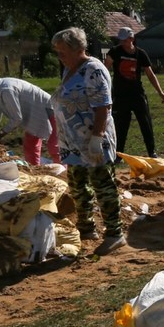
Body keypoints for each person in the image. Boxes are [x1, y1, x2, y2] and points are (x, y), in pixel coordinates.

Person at [51, 27, 125, 255]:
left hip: (93, 139)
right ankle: (86, 227)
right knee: (77, 184)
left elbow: (103, 106)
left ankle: (115, 233)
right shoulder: (69, 69)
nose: (59, 56)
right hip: (72, 142)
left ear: (77, 49)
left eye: (62, 51)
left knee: (103, 185)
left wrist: (97, 138)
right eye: (57, 52)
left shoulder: (93, 69)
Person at [0, 70, 59, 165]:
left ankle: (63, 174)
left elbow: (17, 119)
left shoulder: (6, 90)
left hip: (49, 111)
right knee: (30, 147)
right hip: (33, 115)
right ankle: (35, 171)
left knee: (55, 147)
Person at [105, 27, 164, 158]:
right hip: (120, 95)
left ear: (132, 39)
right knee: (121, 125)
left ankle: (152, 151)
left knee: (145, 123)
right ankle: (118, 154)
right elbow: (105, 69)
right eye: (120, 40)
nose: (122, 42)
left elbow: (150, 74)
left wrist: (160, 91)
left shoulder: (140, 54)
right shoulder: (115, 51)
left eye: (124, 40)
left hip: (137, 94)